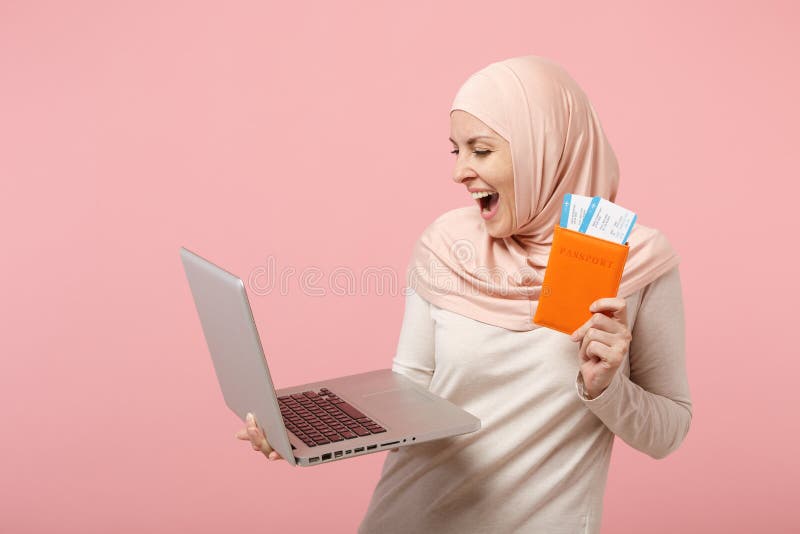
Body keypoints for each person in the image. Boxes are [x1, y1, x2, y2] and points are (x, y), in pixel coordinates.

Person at [237, 55, 692, 533]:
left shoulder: (635, 262)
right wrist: (306, 429)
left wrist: (608, 389)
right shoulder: (445, 243)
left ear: (545, 149)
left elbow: (668, 433)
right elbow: (408, 392)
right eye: (456, 151)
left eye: (481, 150)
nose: (460, 173)